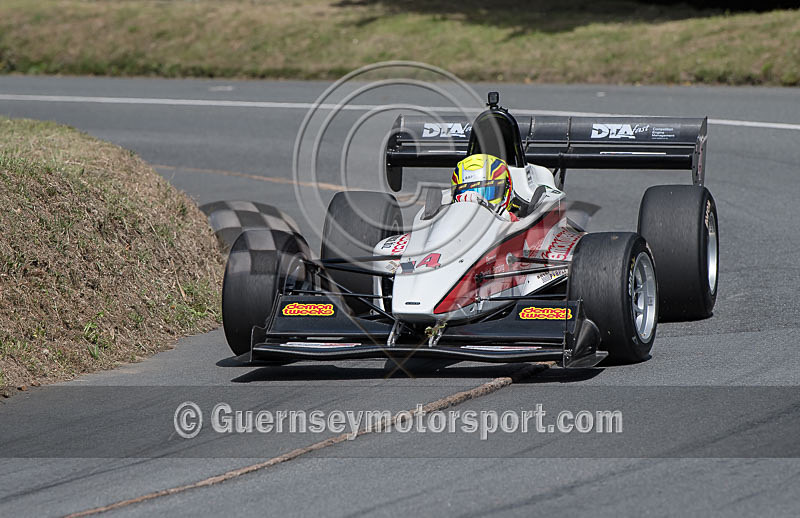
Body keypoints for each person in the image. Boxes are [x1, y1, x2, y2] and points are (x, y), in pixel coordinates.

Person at [450, 153, 516, 220]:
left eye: (488, 193)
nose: (476, 201)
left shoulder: (516, 221)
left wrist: (507, 218)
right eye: (465, 193)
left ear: (507, 189)